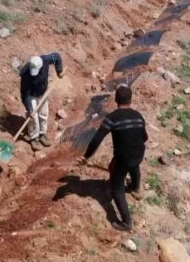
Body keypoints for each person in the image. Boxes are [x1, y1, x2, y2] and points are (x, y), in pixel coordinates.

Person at [79, 85, 148, 232]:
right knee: (134, 165)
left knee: (117, 187)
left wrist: (86, 156)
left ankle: (127, 221)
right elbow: (145, 137)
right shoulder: (138, 115)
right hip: (139, 154)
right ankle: (135, 188)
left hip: (123, 158)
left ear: (116, 100)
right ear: (131, 99)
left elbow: (97, 139)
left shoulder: (111, 118)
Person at [20, 53, 64, 151]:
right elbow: (25, 94)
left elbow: (57, 56)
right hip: (31, 95)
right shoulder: (25, 73)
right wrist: (30, 109)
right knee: (33, 118)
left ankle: (42, 134)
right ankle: (34, 138)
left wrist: (59, 71)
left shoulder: (45, 60)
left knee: (44, 114)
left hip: (42, 92)